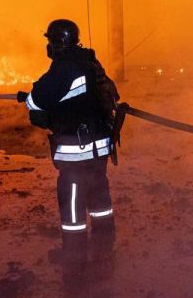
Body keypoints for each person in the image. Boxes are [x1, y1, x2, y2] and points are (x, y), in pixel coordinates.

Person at [18, 19, 119, 280]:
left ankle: (74, 258)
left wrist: (29, 99)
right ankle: (104, 247)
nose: (49, 46)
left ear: (58, 41)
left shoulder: (65, 68)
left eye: (50, 41)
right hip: (99, 147)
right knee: (99, 197)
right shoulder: (89, 62)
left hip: (77, 152)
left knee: (72, 203)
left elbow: (38, 99)